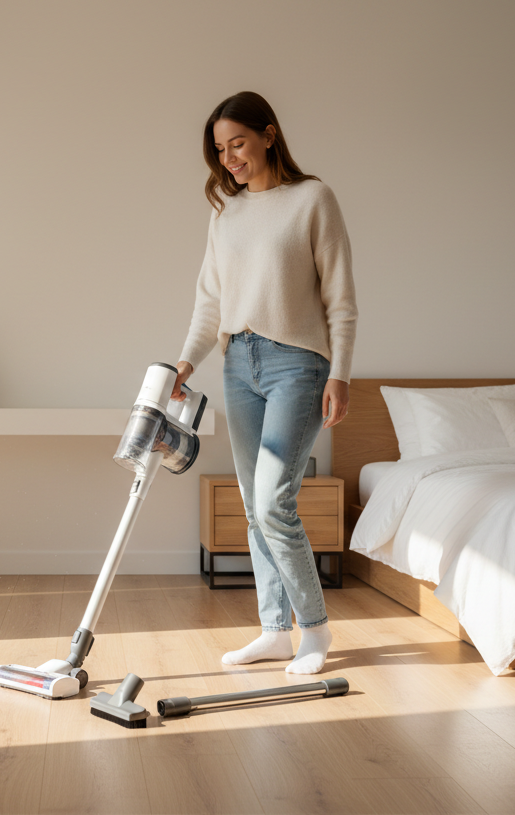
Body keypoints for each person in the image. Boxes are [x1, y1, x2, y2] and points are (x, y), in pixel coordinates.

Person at [174, 91, 357, 674]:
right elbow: (210, 302)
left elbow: (341, 300)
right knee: (255, 509)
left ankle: (315, 631)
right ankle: (274, 630)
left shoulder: (312, 199)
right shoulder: (225, 213)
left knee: (274, 501)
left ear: (269, 135)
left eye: (239, 143)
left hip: (298, 364)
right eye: (220, 149)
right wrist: (184, 363)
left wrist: (342, 374)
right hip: (238, 363)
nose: (229, 158)